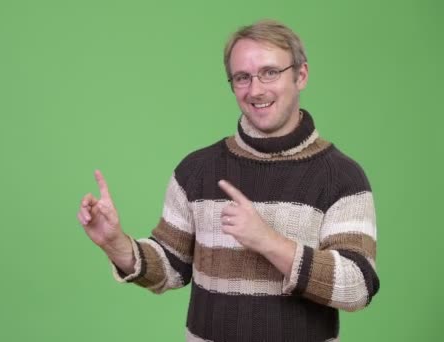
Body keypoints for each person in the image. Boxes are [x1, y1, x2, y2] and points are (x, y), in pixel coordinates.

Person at [77, 19, 379, 342]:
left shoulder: (341, 177)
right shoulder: (197, 170)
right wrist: (116, 244)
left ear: (300, 75)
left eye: (270, 72)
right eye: (242, 77)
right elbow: (170, 267)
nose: (256, 89)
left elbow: (357, 286)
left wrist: (268, 241)